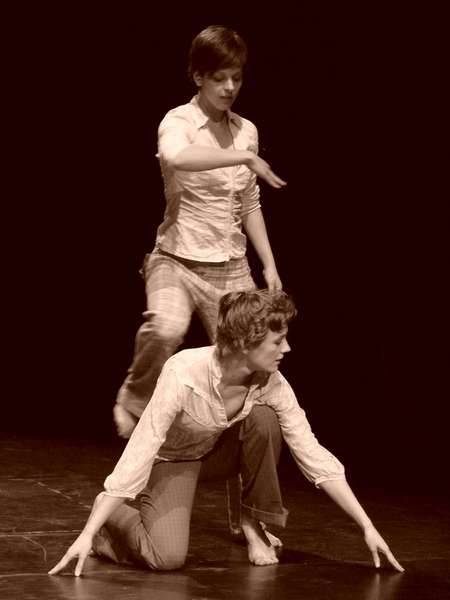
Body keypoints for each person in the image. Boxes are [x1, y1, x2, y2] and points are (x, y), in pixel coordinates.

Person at [49, 289, 404, 576]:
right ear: (245, 343)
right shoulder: (184, 371)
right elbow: (145, 444)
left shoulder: (272, 383)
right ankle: (110, 520)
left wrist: (366, 526)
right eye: (277, 341)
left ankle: (252, 524)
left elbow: (310, 451)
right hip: (173, 460)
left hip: (218, 453)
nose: (287, 349)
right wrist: (88, 531)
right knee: (166, 557)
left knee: (265, 419)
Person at [113, 25, 287, 440]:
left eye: (236, 78)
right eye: (219, 78)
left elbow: (249, 204)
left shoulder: (246, 130)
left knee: (252, 356)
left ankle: (226, 439)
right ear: (198, 76)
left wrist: (269, 264)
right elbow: (177, 157)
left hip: (230, 266)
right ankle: (134, 398)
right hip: (175, 259)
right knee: (166, 328)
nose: (229, 88)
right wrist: (242, 157)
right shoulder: (179, 121)